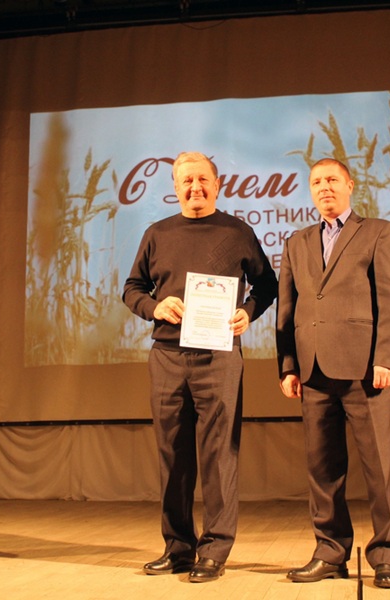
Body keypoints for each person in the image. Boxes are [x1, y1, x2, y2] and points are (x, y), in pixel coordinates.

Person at [123, 152, 277, 583]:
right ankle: (177, 547)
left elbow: (267, 285)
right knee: (172, 454)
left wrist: (248, 312)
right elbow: (132, 289)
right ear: (175, 187)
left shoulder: (238, 232)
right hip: (167, 356)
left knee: (219, 454)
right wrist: (154, 307)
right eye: (187, 181)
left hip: (219, 357)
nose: (195, 187)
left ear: (217, 184)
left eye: (203, 180)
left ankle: (214, 549)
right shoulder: (157, 233)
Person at [276, 158, 390, 589]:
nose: (325, 187)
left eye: (332, 179)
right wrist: (288, 365)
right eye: (317, 182)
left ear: (350, 185)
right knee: (322, 470)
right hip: (313, 370)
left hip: (364, 370)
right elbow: (286, 309)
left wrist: (387, 357)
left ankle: (388, 554)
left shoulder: (378, 232)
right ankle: (330, 552)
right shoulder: (296, 242)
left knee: (380, 467)